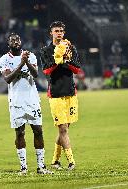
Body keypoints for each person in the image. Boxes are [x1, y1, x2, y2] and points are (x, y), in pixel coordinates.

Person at [0, 33, 53, 175]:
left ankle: (41, 167)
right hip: (16, 102)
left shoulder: (31, 55)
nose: (16, 42)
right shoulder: (4, 59)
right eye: (13, 40)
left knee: (38, 131)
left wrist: (27, 61)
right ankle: (23, 167)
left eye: (18, 39)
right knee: (20, 133)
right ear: (8, 43)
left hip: (32, 100)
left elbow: (35, 74)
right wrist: (21, 64)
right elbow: (8, 79)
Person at [40, 21, 81, 171]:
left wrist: (66, 59)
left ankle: (55, 161)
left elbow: (76, 69)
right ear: (51, 32)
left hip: (70, 92)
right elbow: (46, 71)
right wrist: (58, 59)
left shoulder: (71, 48)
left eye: (61, 31)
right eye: (56, 30)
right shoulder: (46, 50)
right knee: (63, 129)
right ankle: (71, 161)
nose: (59, 33)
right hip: (55, 94)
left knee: (64, 130)